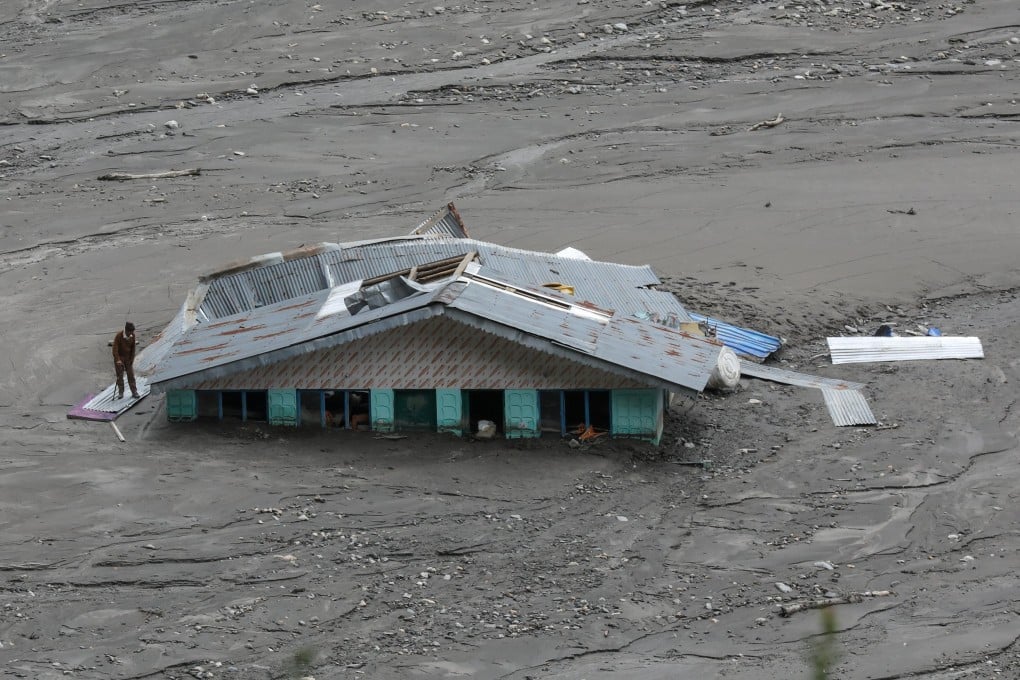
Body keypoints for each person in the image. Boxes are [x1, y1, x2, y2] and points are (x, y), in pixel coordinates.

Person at [113, 322, 139, 400]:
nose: (132, 333)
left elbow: (133, 349)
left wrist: (131, 359)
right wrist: (118, 360)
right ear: (126, 331)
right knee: (119, 376)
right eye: (130, 332)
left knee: (131, 375)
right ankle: (121, 392)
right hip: (120, 358)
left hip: (128, 358)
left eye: (132, 332)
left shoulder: (132, 336)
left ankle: (134, 391)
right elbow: (115, 349)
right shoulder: (119, 336)